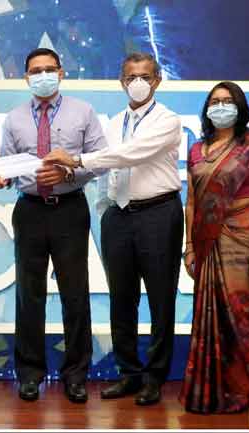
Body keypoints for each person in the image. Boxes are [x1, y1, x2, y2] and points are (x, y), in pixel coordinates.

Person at [44, 52, 183, 405]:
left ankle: (154, 377)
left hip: (158, 213)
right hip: (118, 217)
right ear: (121, 81)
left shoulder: (168, 120)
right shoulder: (114, 122)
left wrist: (77, 159)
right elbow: (104, 168)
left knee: (161, 299)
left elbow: (132, 153)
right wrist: (80, 183)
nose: (138, 83)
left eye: (145, 76)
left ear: (157, 80)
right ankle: (129, 373)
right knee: (122, 299)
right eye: (131, 76)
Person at [0, 47, 107, 404]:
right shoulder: (14, 119)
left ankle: (76, 375)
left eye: (49, 69)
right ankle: (29, 375)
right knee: (29, 295)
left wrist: (70, 171)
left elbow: (101, 161)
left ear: (61, 72)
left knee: (75, 294)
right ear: (26, 77)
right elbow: (6, 167)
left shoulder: (83, 111)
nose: (42, 76)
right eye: (35, 71)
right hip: (29, 210)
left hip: (70, 209)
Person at [179, 82, 249, 413]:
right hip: (205, 242)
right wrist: (189, 247)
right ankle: (209, 392)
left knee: (241, 316)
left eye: (228, 101)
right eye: (215, 101)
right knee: (210, 317)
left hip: (244, 240)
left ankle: (240, 391)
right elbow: (192, 201)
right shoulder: (197, 149)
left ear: (240, 108)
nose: (221, 106)